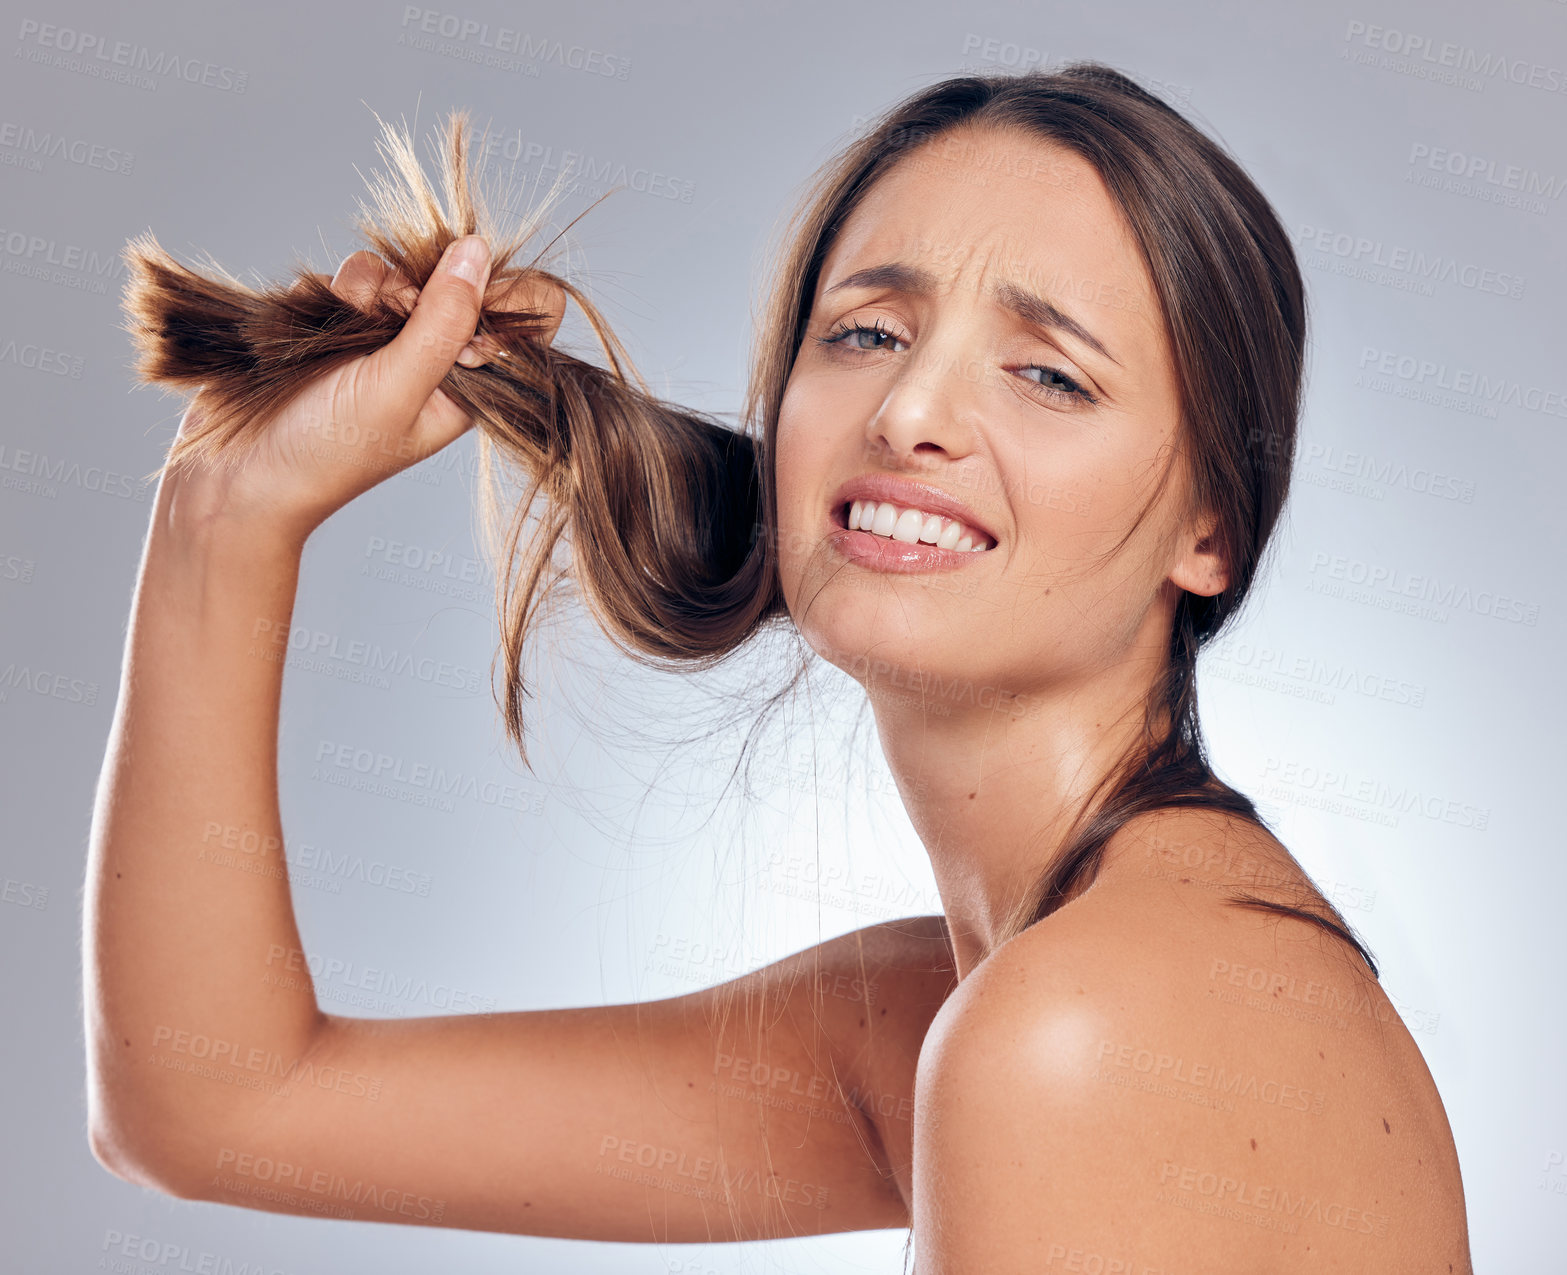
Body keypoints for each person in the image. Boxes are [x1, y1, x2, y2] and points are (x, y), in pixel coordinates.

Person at [85, 62, 1472, 1270]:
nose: (913, 410)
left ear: (1210, 526)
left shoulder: (1082, 1031)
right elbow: (216, 1108)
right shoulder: (990, 1000)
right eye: (866, 333)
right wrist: (227, 518)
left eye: (1049, 374)